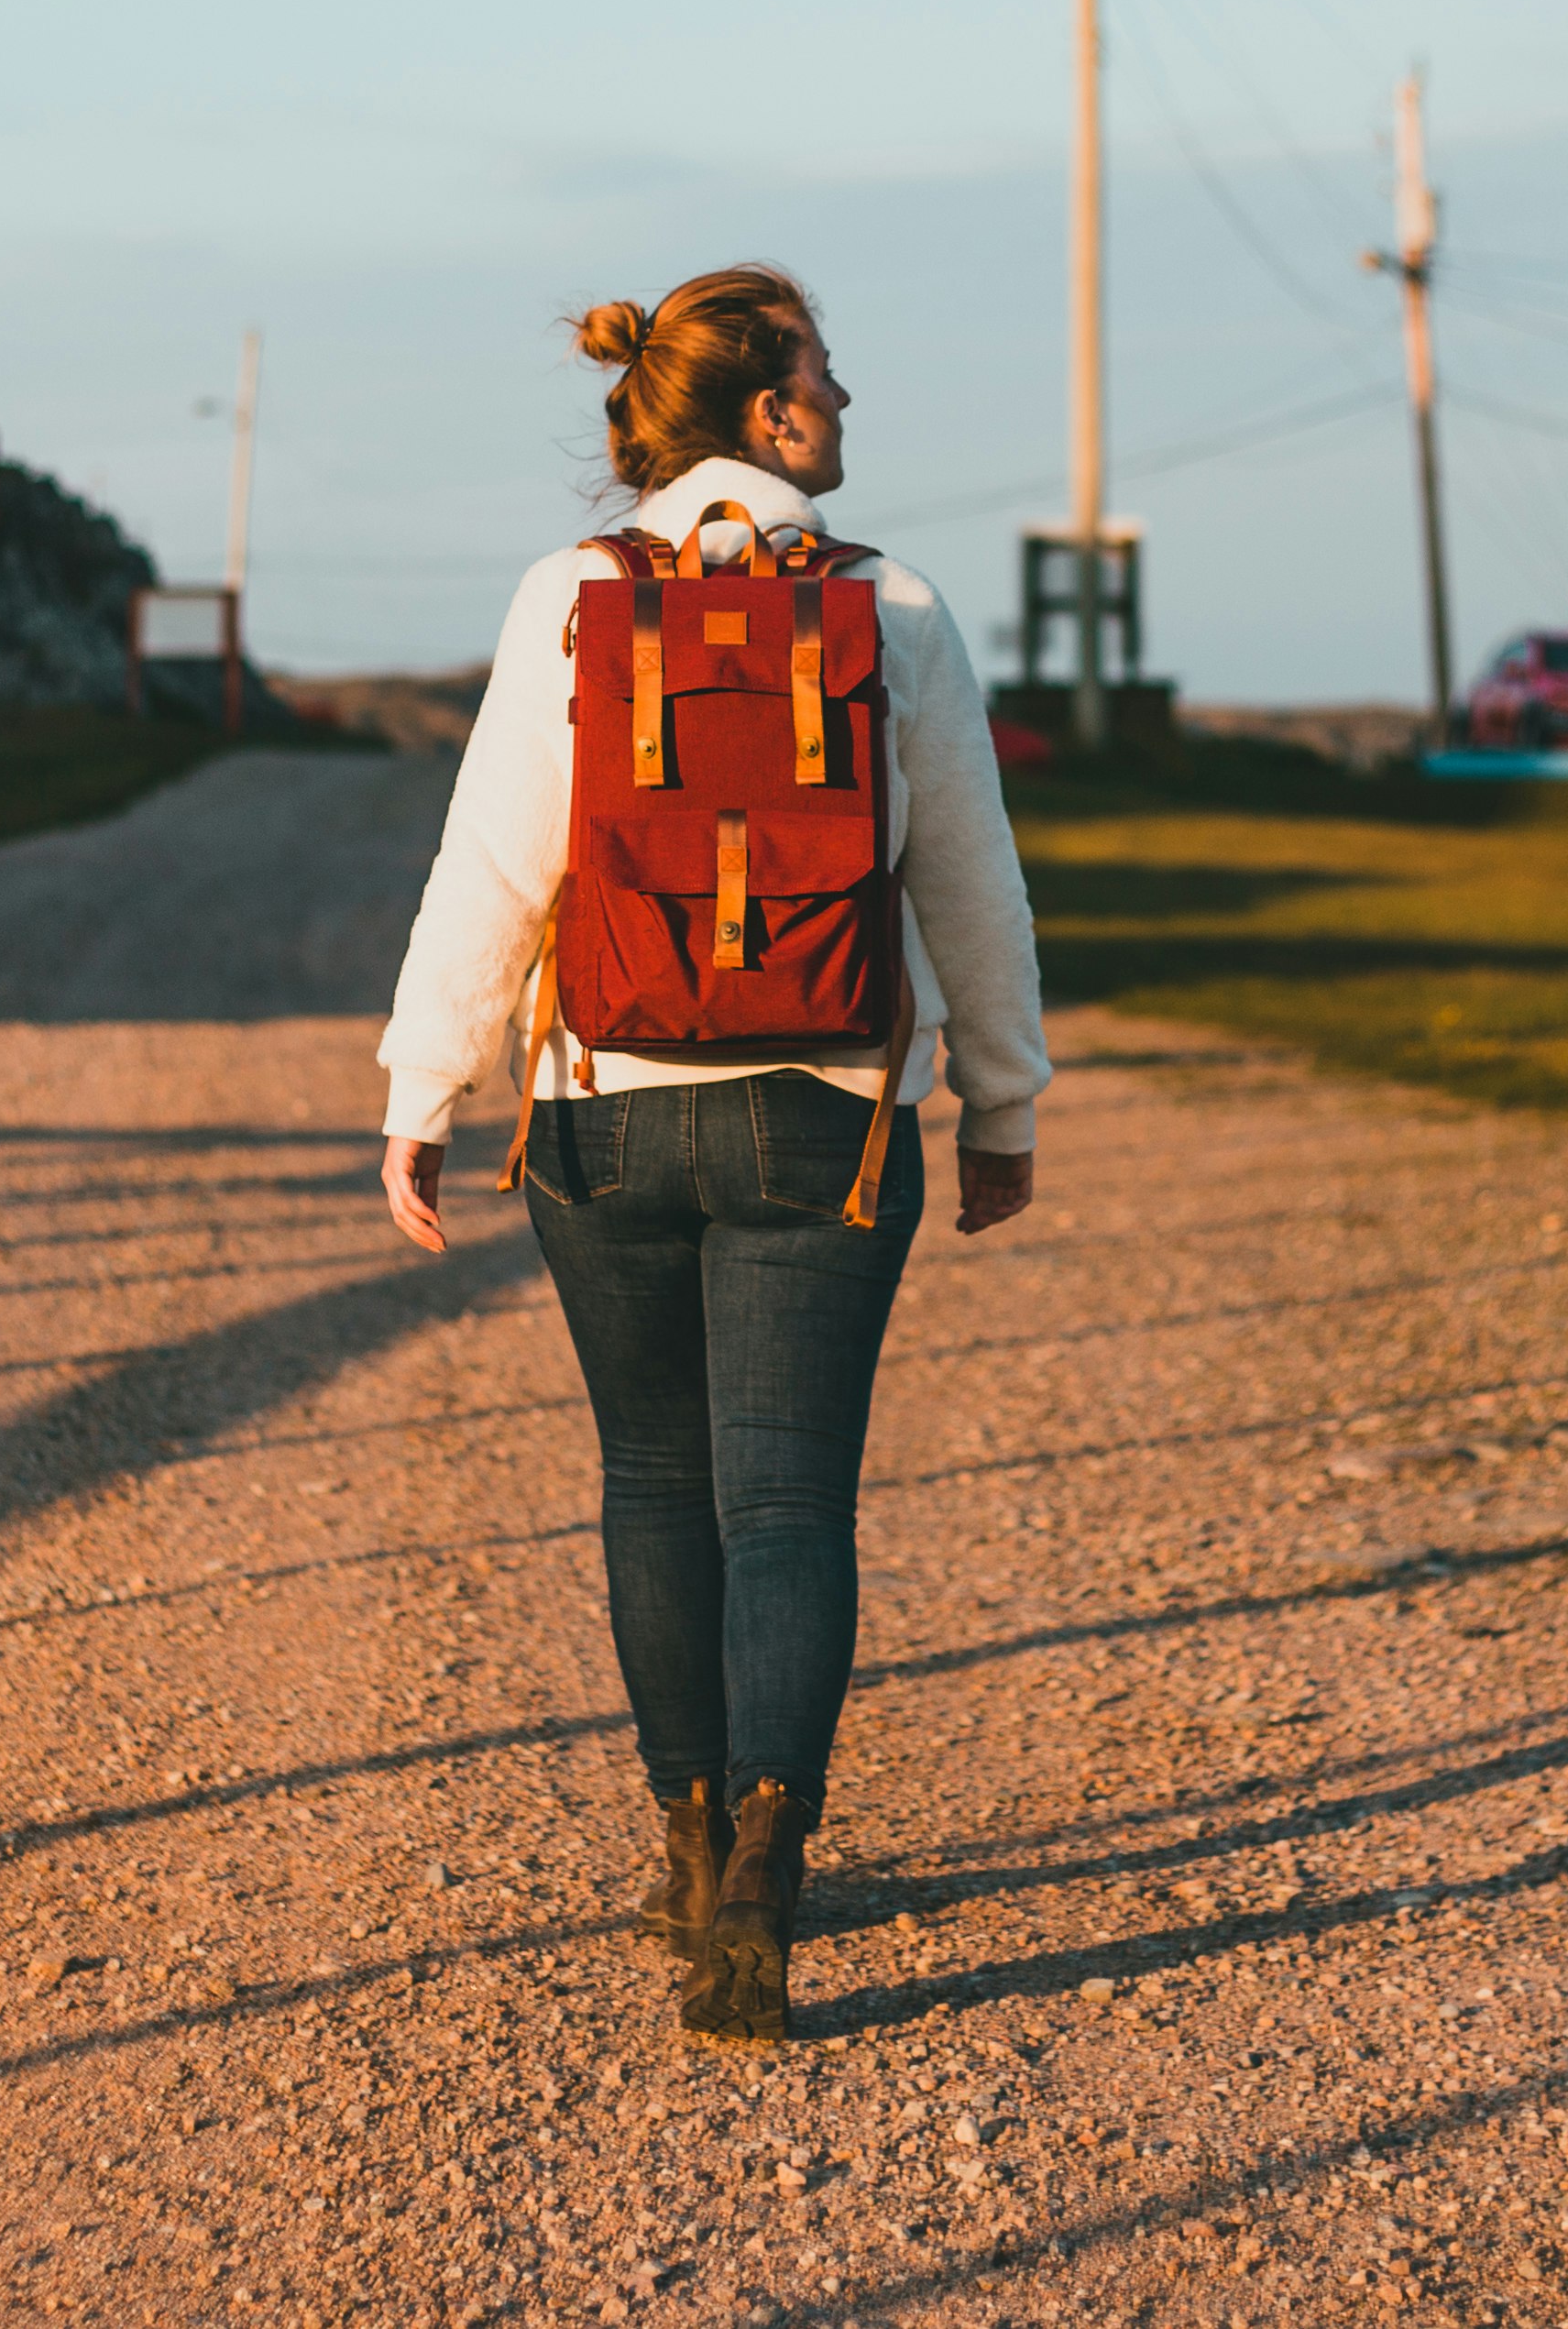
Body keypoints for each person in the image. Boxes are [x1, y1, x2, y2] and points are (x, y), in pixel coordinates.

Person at [377, 264, 1049, 2046]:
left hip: (603, 1101)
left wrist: (421, 1086)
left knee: (655, 1479)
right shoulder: (887, 601)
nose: (849, 399)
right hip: (826, 1115)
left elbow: (501, 864)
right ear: (769, 412)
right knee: (789, 1494)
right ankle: (767, 1846)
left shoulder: (573, 594)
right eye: (828, 374)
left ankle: (682, 1837)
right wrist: (1003, 1097)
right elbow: (967, 876)